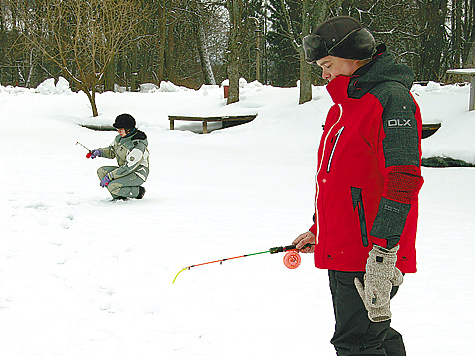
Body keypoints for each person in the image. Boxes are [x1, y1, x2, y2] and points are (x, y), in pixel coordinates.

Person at [293, 16, 424, 355]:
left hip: (369, 252)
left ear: (351, 56)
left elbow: (403, 179)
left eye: (327, 64)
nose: (323, 75)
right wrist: (319, 229)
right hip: (346, 245)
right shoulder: (345, 106)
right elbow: (339, 180)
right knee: (373, 334)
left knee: (357, 342)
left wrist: (383, 254)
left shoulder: (390, 100)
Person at [87, 113, 150, 200]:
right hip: (124, 171)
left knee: (113, 186)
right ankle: (119, 198)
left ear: (128, 129)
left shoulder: (137, 146)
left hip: (136, 173)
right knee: (101, 171)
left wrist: (110, 176)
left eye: (121, 129)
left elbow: (128, 167)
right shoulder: (120, 139)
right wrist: (99, 152)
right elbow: (112, 151)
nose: (118, 131)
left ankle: (138, 192)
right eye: (118, 129)